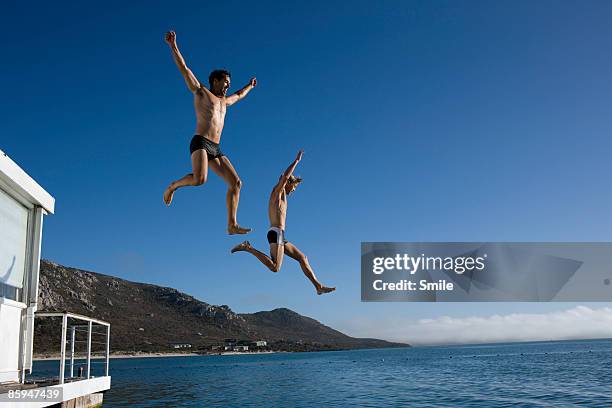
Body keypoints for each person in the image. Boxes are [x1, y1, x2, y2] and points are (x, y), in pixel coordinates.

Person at [162, 30, 254, 235]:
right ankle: (173, 186)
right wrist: (173, 46)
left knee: (236, 182)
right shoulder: (201, 92)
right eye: (225, 82)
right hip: (201, 142)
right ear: (215, 80)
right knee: (200, 179)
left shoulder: (225, 102)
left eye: (229, 84)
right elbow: (184, 69)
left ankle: (231, 224)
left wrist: (250, 86)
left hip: (216, 147)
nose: (228, 87)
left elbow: (239, 95)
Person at [231, 151, 335, 295]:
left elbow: (286, 181)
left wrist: (288, 182)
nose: (294, 190)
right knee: (275, 267)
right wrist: (296, 161)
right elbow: (285, 177)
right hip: (275, 232)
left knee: (302, 257)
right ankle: (248, 247)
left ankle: (318, 286)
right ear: (288, 183)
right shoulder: (276, 193)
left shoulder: (284, 198)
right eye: (293, 187)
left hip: (281, 235)